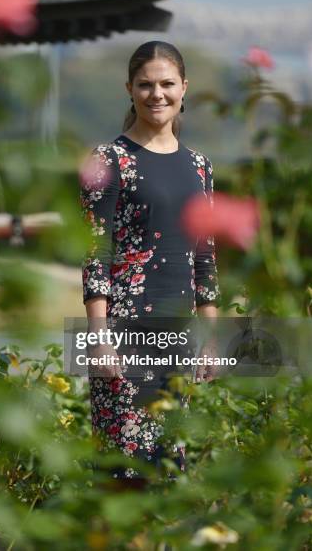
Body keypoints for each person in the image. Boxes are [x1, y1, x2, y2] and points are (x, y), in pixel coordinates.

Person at [80, 41, 221, 485]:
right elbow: (94, 253)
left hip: (179, 340)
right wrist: (98, 340)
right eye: (145, 84)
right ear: (129, 89)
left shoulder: (200, 167)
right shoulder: (108, 160)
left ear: (184, 88)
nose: (156, 94)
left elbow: (205, 256)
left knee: (169, 473)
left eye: (166, 84)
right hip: (123, 338)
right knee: (124, 477)